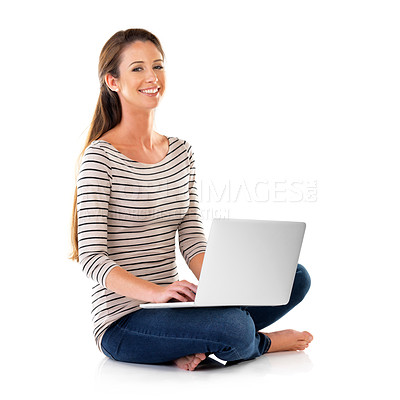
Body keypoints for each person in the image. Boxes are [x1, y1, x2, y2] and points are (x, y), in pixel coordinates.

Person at [69, 28, 313, 371]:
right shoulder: (100, 159)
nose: (152, 77)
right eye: (137, 68)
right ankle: (261, 342)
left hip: (172, 308)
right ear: (113, 81)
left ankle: (192, 343)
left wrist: (224, 285)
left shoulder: (181, 151)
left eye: (158, 65)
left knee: (294, 277)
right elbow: (92, 260)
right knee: (235, 326)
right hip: (123, 322)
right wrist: (156, 293)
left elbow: (192, 237)